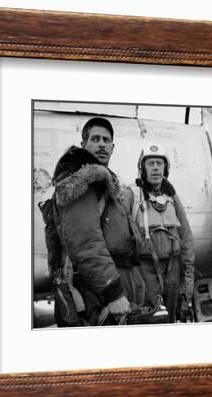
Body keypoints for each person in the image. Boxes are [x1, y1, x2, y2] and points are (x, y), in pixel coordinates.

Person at [46, 117, 146, 326]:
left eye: (106, 140)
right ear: (84, 145)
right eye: (95, 139)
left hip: (109, 290)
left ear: (112, 147)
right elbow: (86, 243)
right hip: (98, 296)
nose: (102, 144)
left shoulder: (104, 186)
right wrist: (114, 293)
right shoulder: (82, 181)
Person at [122, 143, 195, 322]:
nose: (155, 168)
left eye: (159, 163)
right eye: (150, 163)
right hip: (144, 271)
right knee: (148, 320)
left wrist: (187, 280)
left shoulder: (172, 197)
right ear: (143, 169)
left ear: (165, 169)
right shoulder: (131, 195)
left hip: (172, 269)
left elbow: (185, 236)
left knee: (169, 320)